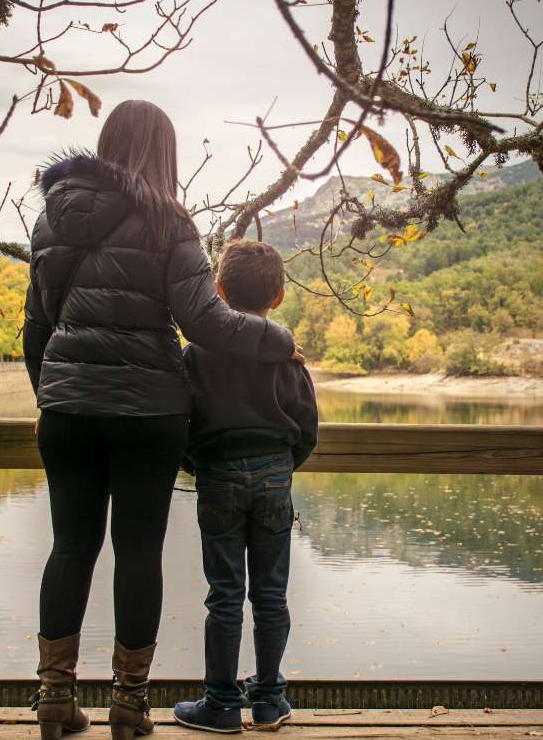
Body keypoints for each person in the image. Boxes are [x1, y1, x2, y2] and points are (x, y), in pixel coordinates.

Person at [22, 101, 304, 740]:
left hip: (66, 410)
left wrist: (54, 394)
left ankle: (53, 699)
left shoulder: (50, 219)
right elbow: (205, 322)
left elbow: (38, 324)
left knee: (70, 547)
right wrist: (279, 339)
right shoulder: (168, 222)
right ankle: (129, 704)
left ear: (105, 144)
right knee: (137, 551)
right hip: (149, 412)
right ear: (164, 154)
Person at [173, 240, 318, 734]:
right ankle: (269, 701)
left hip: (218, 475)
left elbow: (181, 424)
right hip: (275, 476)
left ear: (218, 291)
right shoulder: (288, 356)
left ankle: (220, 704)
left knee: (226, 593)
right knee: (272, 595)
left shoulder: (195, 354)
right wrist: (280, 465)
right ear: (277, 297)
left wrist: (201, 463)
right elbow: (307, 427)